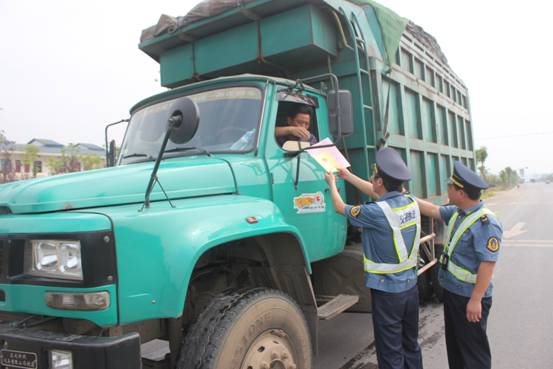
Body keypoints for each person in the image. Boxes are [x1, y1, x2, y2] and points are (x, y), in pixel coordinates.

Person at [325, 147, 423, 369]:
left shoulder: (376, 212)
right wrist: (348, 176)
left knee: (390, 352)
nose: (372, 179)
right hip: (410, 289)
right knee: (410, 345)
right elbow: (376, 192)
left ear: (380, 181)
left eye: (374, 175)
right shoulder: (411, 202)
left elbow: (340, 207)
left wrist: (332, 182)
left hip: (388, 293)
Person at [415, 161, 502, 369]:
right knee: (456, 351)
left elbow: (487, 265)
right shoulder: (457, 212)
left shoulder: (486, 223)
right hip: (454, 293)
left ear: (461, 193)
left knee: (473, 355)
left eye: (450, 186)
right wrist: (406, 196)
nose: (447, 188)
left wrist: (476, 300)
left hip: (469, 298)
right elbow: (432, 209)